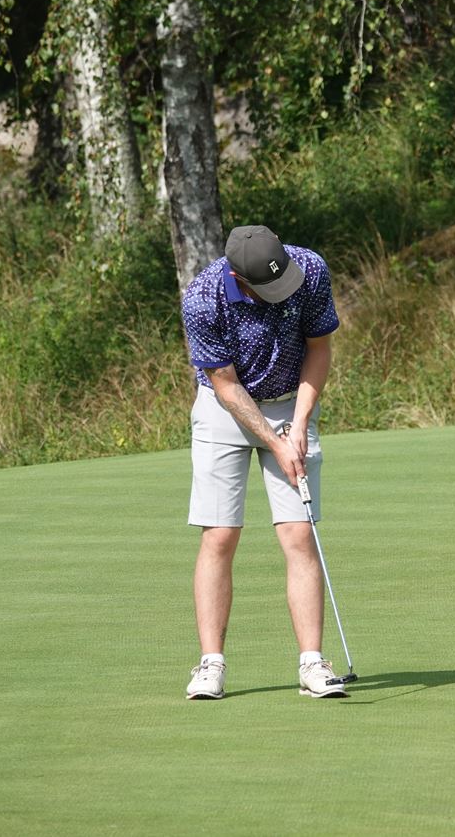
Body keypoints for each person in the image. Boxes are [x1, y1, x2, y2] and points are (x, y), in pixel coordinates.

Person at [180, 224, 348, 699]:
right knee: (220, 535)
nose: (282, 292)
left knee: (299, 533)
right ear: (238, 277)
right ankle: (211, 664)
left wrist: (299, 424)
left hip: (290, 402)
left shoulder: (308, 268)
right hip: (224, 408)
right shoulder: (203, 297)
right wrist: (275, 443)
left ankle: (312, 663)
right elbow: (225, 383)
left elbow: (319, 348)